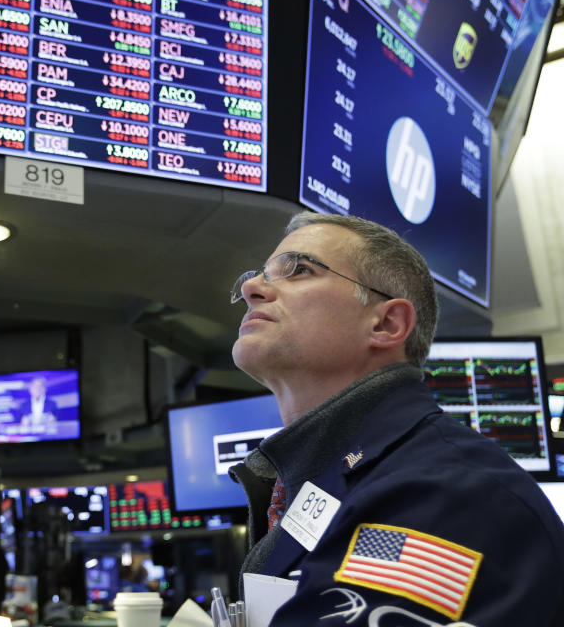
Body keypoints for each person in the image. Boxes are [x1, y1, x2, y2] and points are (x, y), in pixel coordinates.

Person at [226, 211, 564, 625]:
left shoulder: (441, 491)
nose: (250, 288)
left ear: (387, 323)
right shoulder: (336, 474)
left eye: (298, 270)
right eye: (258, 275)